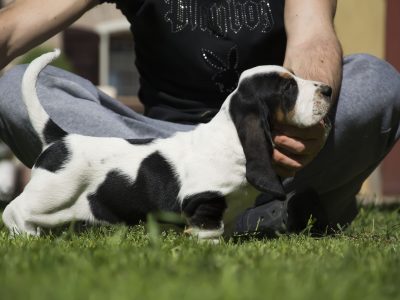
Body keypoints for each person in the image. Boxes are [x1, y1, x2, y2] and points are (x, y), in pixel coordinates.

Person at [0, 0, 399, 235]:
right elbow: (12, 28)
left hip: (269, 147)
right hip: (163, 151)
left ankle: (149, 209)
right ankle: (265, 214)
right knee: (17, 88)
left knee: (378, 83)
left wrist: (306, 123)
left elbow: (312, 32)